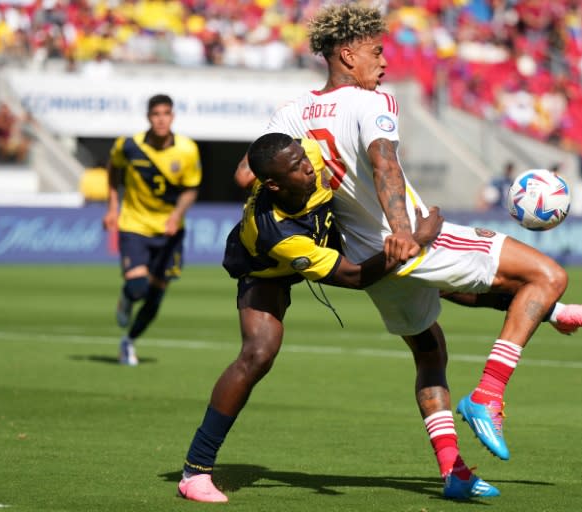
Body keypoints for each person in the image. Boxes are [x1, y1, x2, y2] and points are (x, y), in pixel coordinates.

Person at [231, 2, 582, 494]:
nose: (384, 62)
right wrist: (405, 230)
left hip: (370, 260)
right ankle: (489, 395)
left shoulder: (291, 112)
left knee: (429, 349)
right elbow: (384, 163)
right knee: (545, 276)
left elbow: (250, 172)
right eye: (375, 52)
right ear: (347, 54)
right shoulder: (374, 103)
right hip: (409, 239)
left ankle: (454, 473)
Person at [178, 133, 448, 502]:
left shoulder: (309, 156)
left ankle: (533, 306)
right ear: (272, 184)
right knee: (258, 353)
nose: (307, 165)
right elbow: (353, 277)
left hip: (325, 236)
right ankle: (196, 472)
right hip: (268, 270)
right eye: (295, 167)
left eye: (303, 158)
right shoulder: (275, 231)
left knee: (424, 275)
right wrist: (414, 240)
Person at [102, 94, 202, 366]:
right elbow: (113, 170)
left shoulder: (187, 150)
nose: (161, 119)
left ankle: (129, 341)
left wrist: (176, 215)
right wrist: (112, 208)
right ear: (148, 117)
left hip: (170, 231)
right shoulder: (129, 145)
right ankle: (126, 296)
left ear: (173, 117)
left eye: (166, 113)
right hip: (134, 225)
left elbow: (190, 189)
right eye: (156, 114)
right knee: (137, 288)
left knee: (155, 297)